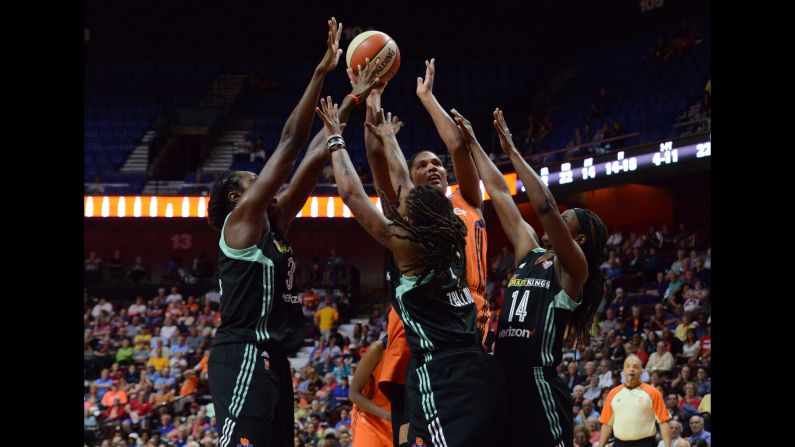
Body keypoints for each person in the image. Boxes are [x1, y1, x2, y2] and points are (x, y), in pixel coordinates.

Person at [205, 19, 378, 447]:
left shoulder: (275, 225)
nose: (263, 182)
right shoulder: (241, 222)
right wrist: (321, 72)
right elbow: (289, 142)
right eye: (251, 178)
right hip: (244, 350)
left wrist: (357, 95)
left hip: (273, 358)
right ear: (233, 197)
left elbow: (316, 152)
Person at [317, 96, 505, 446]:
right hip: (474, 360)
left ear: (414, 215)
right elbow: (402, 182)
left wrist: (334, 139)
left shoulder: (409, 246)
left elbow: (353, 196)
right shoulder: (451, 239)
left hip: (443, 371)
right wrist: (388, 138)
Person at [451, 107, 607, 447]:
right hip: (504, 380)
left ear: (578, 240)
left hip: (538, 382)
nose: (557, 221)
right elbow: (501, 193)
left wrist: (512, 151)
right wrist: (475, 143)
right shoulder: (530, 252)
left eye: (567, 221)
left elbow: (546, 206)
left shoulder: (574, 270)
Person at [364, 59, 491, 446]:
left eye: (437, 164)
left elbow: (458, 145)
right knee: (413, 424)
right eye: (422, 165)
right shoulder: (405, 212)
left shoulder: (467, 199)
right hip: (421, 323)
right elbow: (376, 160)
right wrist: (373, 102)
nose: (434, 167)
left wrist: (427, 97)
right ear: (411, 177)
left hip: (470, 317)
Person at [598, 355, 672, 447]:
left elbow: (664, 422)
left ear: (642, 371)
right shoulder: (613, 393)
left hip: (645, 443)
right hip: (619, 444)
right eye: (628, 366)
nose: (631, 369)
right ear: (623, 371)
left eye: (636, 367)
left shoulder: (653, 392)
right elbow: (607, 424)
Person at [349, 338, 392, 447]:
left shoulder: (421, 350)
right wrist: (387, 416)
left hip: (398, 421)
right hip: (369, 418)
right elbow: (354, 394)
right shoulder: (377, 349)